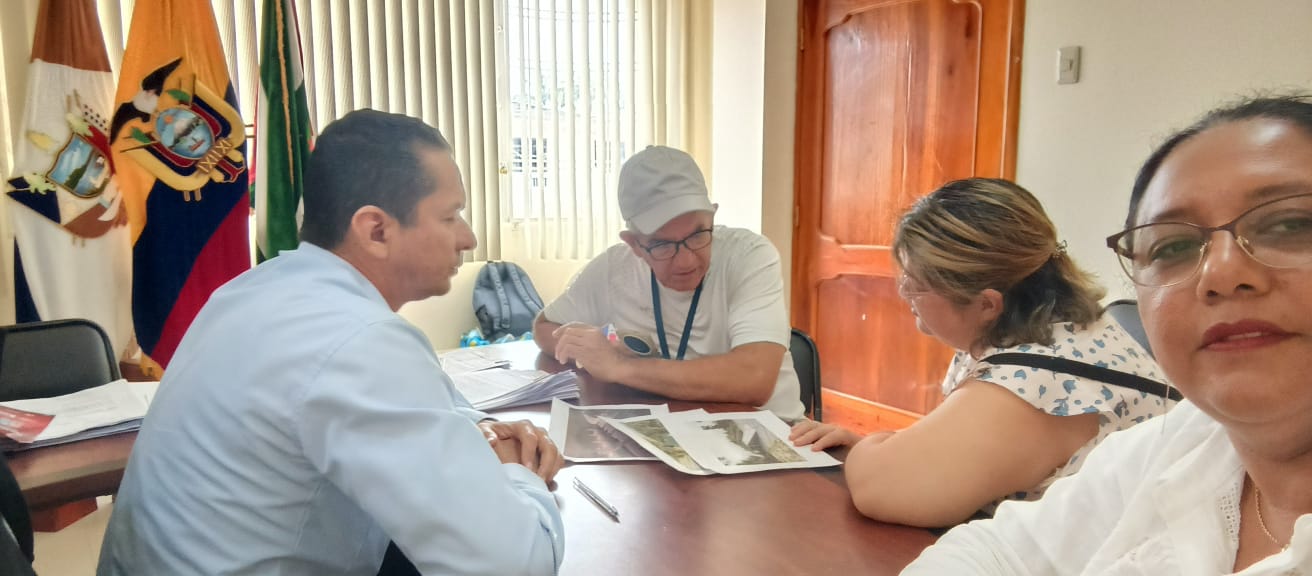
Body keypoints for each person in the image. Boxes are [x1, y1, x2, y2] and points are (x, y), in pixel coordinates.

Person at [97, 110, 565, 575]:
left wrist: (484, 429)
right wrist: (520, 475)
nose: (468, 238)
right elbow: (512, 565)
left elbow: (424, 405)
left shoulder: (248, 292)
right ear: (376, 230)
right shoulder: (360, 340)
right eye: (450, 216)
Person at [903, 95, 1312, 574]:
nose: (1220, 273)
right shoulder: (1179, 442)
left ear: (986, 302)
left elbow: (896, 485)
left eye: (1292, 224)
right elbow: (995, 549)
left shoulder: (1035, 373)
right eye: (1172, 246)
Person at [789, 178, 1174, 528]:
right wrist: (876, 446)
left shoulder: (1038, 381)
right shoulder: (1071, 328)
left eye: (915, 284)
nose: (905, 295)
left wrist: (876, 452)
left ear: (987, 304)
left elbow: (879, 487)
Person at [532, 145, 804, 420]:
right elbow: (544, 326)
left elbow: (754, 379)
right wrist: (601, 343)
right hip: (669, 427)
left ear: (712, 216)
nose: (686, 261)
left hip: (773, 428)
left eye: (698, 234)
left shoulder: (749, 255)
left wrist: (620, 366)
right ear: (634, 244)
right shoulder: (614, 268)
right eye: (662, 244)